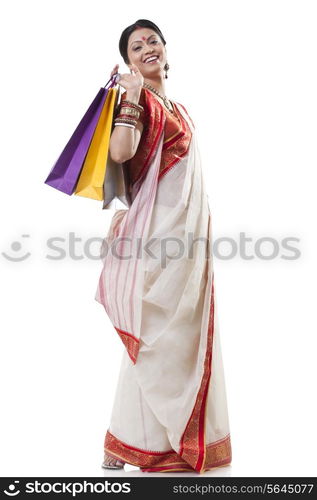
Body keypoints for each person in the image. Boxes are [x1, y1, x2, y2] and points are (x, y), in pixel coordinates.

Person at [95, 19, 232, 473]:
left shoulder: (182, 108)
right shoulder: (143, 102)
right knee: (156, 339)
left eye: (153, 40)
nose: (147, 48)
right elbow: (120, 151)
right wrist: (131, 96)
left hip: (189, 245)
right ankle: (133, 442)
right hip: (159, 245)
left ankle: (137, 440)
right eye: (136, 46)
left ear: (166, 50)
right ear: (129, 60)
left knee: (179, 340)